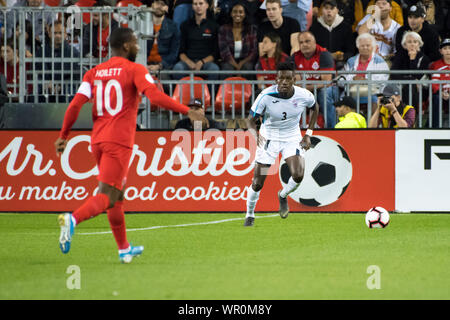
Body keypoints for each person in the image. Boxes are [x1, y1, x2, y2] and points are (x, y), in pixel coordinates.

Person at [55, 28, 206, 263]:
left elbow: (75, 105)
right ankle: (72, 219)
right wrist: (188, 111)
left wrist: (64, 135)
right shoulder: (134, 69)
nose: (138, 46)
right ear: (125, 45)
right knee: (106, 195)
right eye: (135, 42)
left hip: (98, 141)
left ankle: (124, 248)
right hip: (119, 142)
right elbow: (154, 97)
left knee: (116, 195)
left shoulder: (93, 73)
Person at [244, 61, 318, 226]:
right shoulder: (265, 96)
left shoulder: (304, 95)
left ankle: (283, 195)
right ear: (276, 80)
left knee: (298, 174)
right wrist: (254, 134)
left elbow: (315, 108)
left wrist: (308, 134)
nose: (284, 82)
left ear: (294, 80)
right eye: (281, 78)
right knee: (257, 183)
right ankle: (250, 214)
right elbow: (250, 120)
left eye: (288, 78)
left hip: (292, 137)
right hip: (269, 138)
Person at [291, 31, 339, 128]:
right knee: (292, 96)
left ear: (314, 42)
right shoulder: (295, 57)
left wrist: (306, 87)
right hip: (306, 89)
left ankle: (331, 128)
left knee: (324, 95)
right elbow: (297, 82)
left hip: (325, 88)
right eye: (301, 42)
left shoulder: (324, 55)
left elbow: (327, 81)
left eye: (307, 41)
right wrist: (306, 88)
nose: (304, 44)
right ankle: (294, 128)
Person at [172, 0, 220, 82]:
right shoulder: (185, 25)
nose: (198, 6)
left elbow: (215, 52)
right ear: (192, 6)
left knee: (214, 69)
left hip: (206, 62)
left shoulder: (214, 26)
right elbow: (181, 51)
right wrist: (189, 62)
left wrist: (201, 62)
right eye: (195, 4)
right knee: (178, 68)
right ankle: (182, 94)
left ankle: (209, 94)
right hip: (188, 60)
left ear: (207, 6)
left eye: (201, 3)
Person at [341, 33, 390, 106]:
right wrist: (353, 78)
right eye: (362, 46)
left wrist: (365, 80)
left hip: (373, 93)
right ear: (358, 47)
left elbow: (383, 81)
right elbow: (341, 79)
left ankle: (373, 118)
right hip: (352, 92)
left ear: (373, 47)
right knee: (345, 100)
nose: (365, 48)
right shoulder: (351, 61)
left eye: (368, 45)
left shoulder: (380, 61)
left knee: (374, 99)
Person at [309, 0, 355, 70]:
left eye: (332, 8)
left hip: (341, 63)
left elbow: (351, 51)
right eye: (326, 8)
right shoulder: (314, 28)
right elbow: (311, 50)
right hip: (319, 63)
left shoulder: (346, 27)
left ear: (337, 10)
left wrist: (343, 56)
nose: (329, 11)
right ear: (321, 11)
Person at [218, 1, 258, 78]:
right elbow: (224, 52)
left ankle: (247, 90)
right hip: (229, 61)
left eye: (241, 12)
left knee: (247, 68)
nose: (238, 14)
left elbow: (254, 51)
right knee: (227, 69)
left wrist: (241, 64)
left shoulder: (252, 29)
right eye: (235, 12)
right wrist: (237, 66)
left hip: (246, 60)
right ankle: (225, 90)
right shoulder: (223, 29)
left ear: (245, 14)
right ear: (231, 14)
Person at [390, 31, 430, 108]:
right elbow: (393, 74)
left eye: (415, 42)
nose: (412, 44)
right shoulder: (399, 56)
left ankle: (410, 115)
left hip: (421, 89)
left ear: (419, 44)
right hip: (401, 86)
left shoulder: (424, 58)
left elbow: (417, 76)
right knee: (407, 86)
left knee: (410, 87)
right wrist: (410, 79)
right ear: (405, 45)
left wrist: (412, 59)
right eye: (409, 42)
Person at [146, 0, 180, 91]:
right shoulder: (142, 24)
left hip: (164, 66)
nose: (159, 6)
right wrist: (143, 65)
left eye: (163, 4)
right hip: (145, 64)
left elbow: (174, 53)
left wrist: (159, 66)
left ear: (167, 8)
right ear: (152, 4)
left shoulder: (173, 26)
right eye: (157, 3)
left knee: (164, 79)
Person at [429, 38, 450, 128]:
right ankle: (435, 127)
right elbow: (434, 83)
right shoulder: (436, 65)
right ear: (440, 51)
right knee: (436, 98)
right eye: (445, 48)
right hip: (441, 93)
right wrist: (441, 92)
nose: (448, 51)